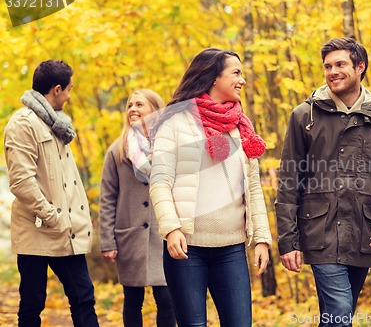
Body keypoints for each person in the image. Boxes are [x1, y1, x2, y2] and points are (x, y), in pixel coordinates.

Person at [275, 37, 371, 327]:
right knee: (340, 312)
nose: (332, 71)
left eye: (340, 64)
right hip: (319, 230)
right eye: (327, 66)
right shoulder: (304, 115)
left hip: (364, 231)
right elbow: (289, 178)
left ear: (360, 67)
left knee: (336, 316)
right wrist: (287, 239)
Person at [149, 47, 273, 327]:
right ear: (214, 77)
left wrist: (262, 237)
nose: (242, 80)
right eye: (236, 73)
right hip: (187, 247)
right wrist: (171, 229)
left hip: (231, 248)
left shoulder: (241, 126)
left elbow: (252, 187)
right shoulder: (176, 122)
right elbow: (160, 181)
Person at [3, 60, 100, 327]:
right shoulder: (22, 124)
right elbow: (22, 182)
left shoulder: (57, 125)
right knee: (33, 303)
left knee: (83, 297)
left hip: (64, 231)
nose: (69, 96)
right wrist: (54, 217)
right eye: (69, 89)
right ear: (57, 90)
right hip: (38, 229)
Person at [99, 89, 177, 327]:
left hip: (164, 235)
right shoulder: (117, 150)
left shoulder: (170, 147)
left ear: (155, 110)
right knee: (133, 299)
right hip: (130, 236)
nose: (132, 109)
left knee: (166, 298)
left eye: (139, 105)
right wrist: (107, 241)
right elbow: (107, 197)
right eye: (129, 105)